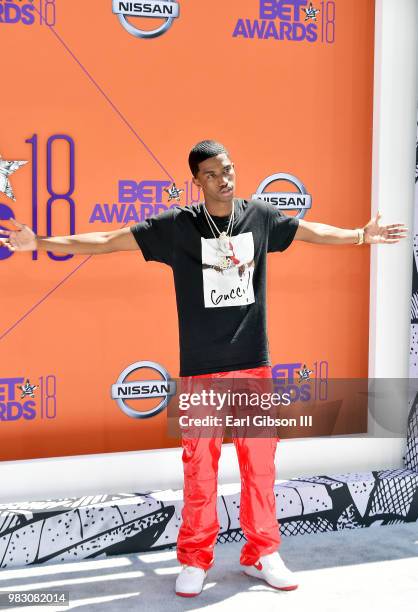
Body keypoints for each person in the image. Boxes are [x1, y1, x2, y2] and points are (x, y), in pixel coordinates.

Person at [0, 140, 408, 597]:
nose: (224, 179)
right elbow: (109, 241)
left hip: (253, 364)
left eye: (228, 169)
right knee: (200, 469)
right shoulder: (179, 227)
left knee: (261, 467)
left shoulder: (259, 217)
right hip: (200, 368)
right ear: (196, 182)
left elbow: (310, 231)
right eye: (212, 173)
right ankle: (195, 558)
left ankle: (262, 553)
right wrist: (41, 242)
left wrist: (360, 235)